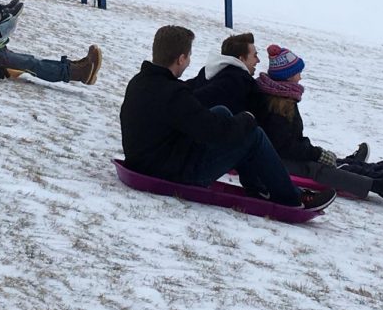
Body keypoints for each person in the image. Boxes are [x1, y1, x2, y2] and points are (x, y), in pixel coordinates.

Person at [119, 25, 336, 211]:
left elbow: (198, 120)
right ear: (181, 58)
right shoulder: (172, 93)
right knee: (252, 135)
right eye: (188, 57)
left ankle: (259, 186)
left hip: (153, 158)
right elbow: (213, 132)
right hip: (170, 172)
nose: (188, 61)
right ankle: (292, 198)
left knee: (222, 112)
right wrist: (247, 119)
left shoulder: (141, 82)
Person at [253, 44, 383, 201]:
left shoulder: (281, 99)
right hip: (278, 160)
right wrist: (316, 153)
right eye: (297, 73)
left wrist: (314, 152)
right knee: (327, 169)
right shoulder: (276, 106)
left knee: (339, 164)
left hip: (283, 155)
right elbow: (285, 146)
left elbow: (289, 143)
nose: (300, 78)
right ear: (287, 76)